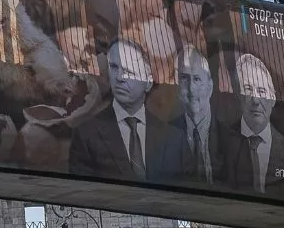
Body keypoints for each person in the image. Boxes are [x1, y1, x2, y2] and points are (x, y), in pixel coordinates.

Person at [68, 40, 186, 181]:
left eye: (129, 71)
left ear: (148, 82)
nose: (119, 78)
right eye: (114, 67)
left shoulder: (174, 138)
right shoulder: (85, 134)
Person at [225, 53, 284, 194]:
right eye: (248, 89)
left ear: (273, 99)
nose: (256, 101)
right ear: (237, 94)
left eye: (262, 91)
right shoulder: (221, 143)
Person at [173, 45, 224, 184]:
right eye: (184, 78)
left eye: (197, 79)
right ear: (177, 86)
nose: (191, 88)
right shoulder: (166, 136)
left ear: (210, 87)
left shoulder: (230, 139)